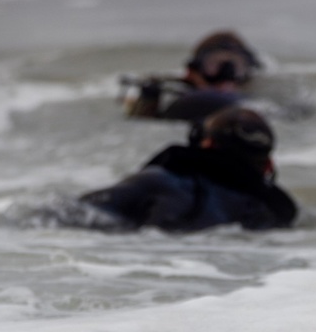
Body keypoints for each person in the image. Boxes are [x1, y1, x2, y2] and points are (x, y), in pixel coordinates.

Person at [73, 106, 297, 232]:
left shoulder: (158, 182)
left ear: (206, 144)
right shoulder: (274, 212)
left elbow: (72, 214)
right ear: (267, 165)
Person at [120, 30, 262, 122]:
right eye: (213, 65)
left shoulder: (258, 96)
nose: (226, 74)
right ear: (192, 71)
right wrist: (148, 101)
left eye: (235, 66)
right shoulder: (174, 94)